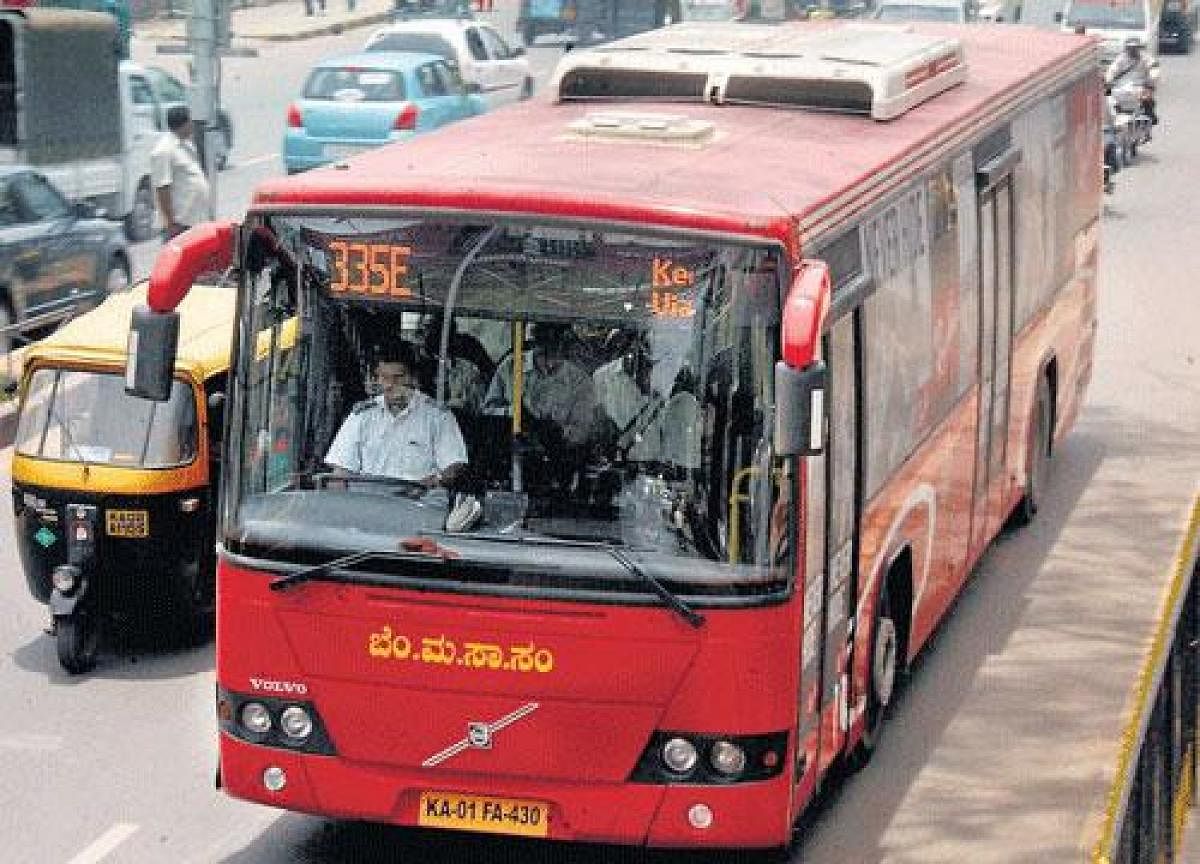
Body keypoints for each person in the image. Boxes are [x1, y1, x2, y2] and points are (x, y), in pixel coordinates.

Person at [325, 342, 467, 488]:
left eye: (397, 377)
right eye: (384, 377)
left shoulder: (437, 416)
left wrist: (434, 481)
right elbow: (341, 471)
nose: (390, 385)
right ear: (377, 379)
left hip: (419, 503)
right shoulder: (362, 416)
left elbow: (453, 467)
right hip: (368, 502)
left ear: (413, 378)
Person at [483, 322, 596, 449]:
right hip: (510, 447)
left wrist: (558, 432)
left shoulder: (579, 380)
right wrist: (511, 413)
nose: (550, 361)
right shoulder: (511, 366)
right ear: (536, 340)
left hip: (556, 454)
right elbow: (488, 411)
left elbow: (583, 429)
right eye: (546, 342)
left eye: (559, 340)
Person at [593, 331, 666, 462]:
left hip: (653, 464)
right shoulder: (603, 377)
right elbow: (596, 425)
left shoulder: (665, 382)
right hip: (614, 462)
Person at [151, 105, 211, 242]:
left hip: (196, 220)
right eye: (190, 122)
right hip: (180, 224)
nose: (192, 126)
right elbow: (162, 188)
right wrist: (170, 223)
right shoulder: (164, 150)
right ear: (184, 124)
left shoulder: (186, 146)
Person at [417, 313, 491, 412]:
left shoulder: (468, 365)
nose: (426, 334)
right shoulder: (415, 365)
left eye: (433, 328)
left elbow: (481, 407)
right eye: (425, 329)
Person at [1106, 37, 1158, 125]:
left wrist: (1151, 80)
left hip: (1140, 85)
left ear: (1139, 48)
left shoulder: (1146, 58)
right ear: (1126, 49)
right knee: (1108, 99)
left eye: (1135, 48)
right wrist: (1108, 80)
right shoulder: (1121, 59)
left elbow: (1154, 69)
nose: (1132, 50)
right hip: (1122, 86)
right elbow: (1112, 70)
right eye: (1130, 48)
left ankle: (1149, 115)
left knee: (1147, 98)